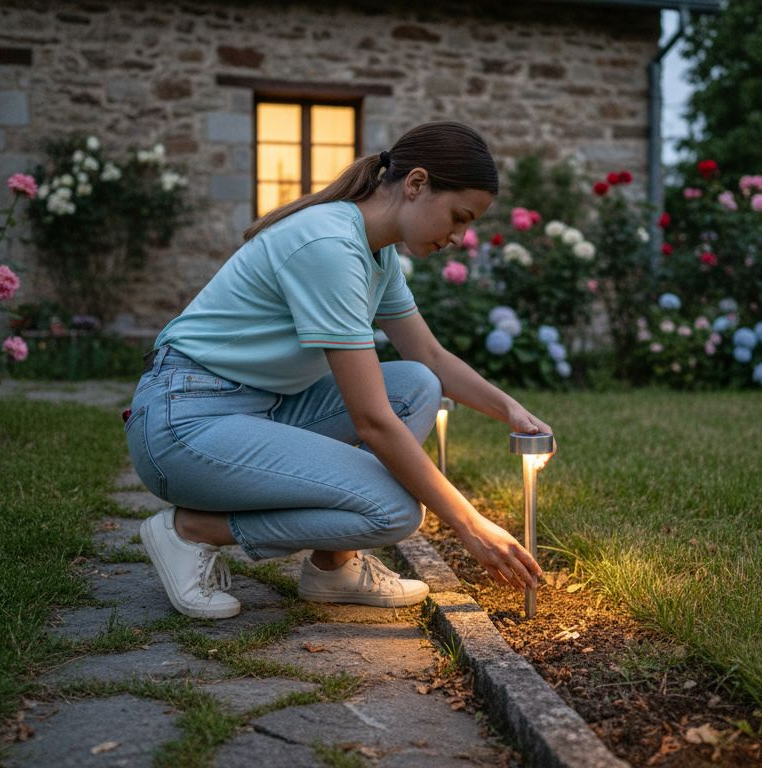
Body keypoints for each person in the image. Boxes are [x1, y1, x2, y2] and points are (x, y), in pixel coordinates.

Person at [126, 121, 549, 619]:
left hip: (260, 408)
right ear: (416, 184)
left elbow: (428, 357)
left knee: (416, 385)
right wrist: (470, 524)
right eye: (458, 217)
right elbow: (370, 419)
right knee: (394, 509)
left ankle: (334, 568)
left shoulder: (377, 251)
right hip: (184, 424)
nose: (459, 237)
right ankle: (190, 531)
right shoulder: (328, 245)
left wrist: (511, 410)